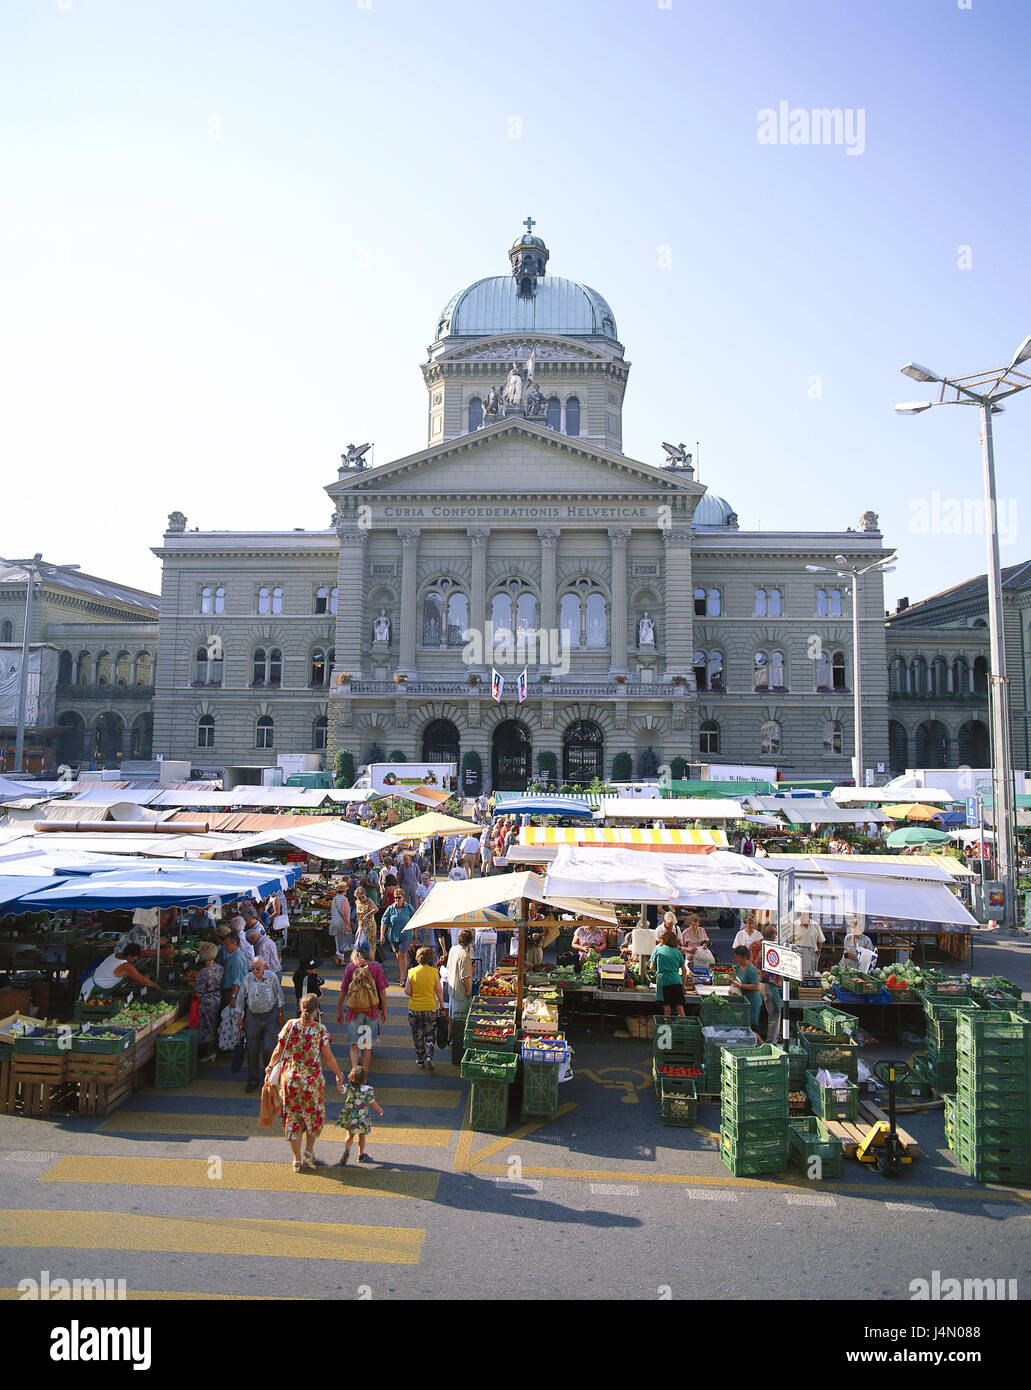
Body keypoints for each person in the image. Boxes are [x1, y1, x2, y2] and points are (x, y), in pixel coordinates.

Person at [264, 993, 345, 1172]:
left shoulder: (290, 1025)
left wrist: (270, 1067)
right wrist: (338, 1073)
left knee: (293, 1117)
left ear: (301, 1008)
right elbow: (328, 1057)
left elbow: (278, 1050)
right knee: (312, 1115)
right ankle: (309, 1149)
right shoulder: (320, 1030)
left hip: (290, 1080)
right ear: (316, 1011)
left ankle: (296, 1159)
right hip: (312, 1081)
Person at [338, 943, 389, 1075]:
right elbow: (382, 990)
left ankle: (354, 1070)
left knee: (354, 1044)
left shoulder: (350, 967)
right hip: (371, 1011)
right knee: (367, 1046)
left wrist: (339, 1011)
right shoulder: (375, 967)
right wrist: (384, 1010)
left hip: (353, 1011)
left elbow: (343, 990)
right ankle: (364, 1075)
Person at [238, 955, 286, 1093]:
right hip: (252, 1017)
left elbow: (279, 996)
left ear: (264, 967)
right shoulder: (248, 979)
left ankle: (269, 1078)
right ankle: (252, 1079)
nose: (254, 971)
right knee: (252, 1050)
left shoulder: (271, 977)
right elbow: (241, 998)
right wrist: (239, 1016)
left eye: (257, 969)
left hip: (270, 1016)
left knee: (268, 1048)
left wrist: (280, 1014)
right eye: (252, 969)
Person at [80, 942, 166, 1001]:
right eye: (136, 957)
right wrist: (156, 986)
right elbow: (143, 981)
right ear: (130, 956)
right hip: (92, 989)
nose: (136, 959)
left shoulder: (116, 954)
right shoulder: (126, 966)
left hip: (92, 983)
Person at [405, 945, 444, 1071]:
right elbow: (438, 990)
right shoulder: (434, 972)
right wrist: (442, 1005)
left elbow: (407, 991)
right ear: (431, 958)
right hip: (430, 1007)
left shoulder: (412, 972)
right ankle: (429, 1055)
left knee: (417, 1034)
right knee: (430, 1032)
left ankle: (420, 1058)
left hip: (414, 1008)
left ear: (417, 958)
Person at [336, 1065, 384, 1166]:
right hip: (362, 1118)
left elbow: (340, 1090)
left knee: (350, 1135)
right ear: (364, 1078)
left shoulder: (349, 1087)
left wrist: (339, 1083)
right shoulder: (368, 1089)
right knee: (362, 1136)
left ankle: (347, 1150)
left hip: (350, 1116)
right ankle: (361, 1155)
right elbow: (372, 1102)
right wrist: (379, 1110)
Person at [192, 942, 224, 1063]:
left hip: (206, 1002)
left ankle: (209, 1052)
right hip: (217, 998)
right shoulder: (219, 968)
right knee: (214, 1023)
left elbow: (199, 992)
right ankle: (213, 1049)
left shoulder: (202, 973)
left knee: (207, 1026)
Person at [650, 928, 689, 1017]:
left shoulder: (658, 950)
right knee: (679, 1006)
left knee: (666, 1006)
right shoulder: (678, 952)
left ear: (663, 940)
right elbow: (684, 970)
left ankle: (667, 1026)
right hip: (676, 980)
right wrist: (683, 985)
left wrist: (659, 967)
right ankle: (683, 1025)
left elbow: (651, 966)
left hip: (663, 980)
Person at [381, 888, 416, 987]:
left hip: (406, 935)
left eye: (399, 898)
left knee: (402, 954)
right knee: (398, 955)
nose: (397, 900)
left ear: (403, 898)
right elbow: (384, 922)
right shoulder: (391, 908)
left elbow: (414, 918)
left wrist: (415, 932)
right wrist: (382, 935)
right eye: (395, 898)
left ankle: (402, 978)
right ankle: (402, 973)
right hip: (394, 936)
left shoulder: (408, 907)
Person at [731, 945, 764, 1041]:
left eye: (737, 957)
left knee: (751, 1028)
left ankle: (761, 1044)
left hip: (752, 1002)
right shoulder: (738, 967)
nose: (736, 959)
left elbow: (756, 986)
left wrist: (741, 985)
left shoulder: (751, 970)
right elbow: (737, 979)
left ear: (744, 957)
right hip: (743, 1001)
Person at [758, 927, 783, 1044]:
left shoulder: (754, 945)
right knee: (775, 1014)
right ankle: (771, 1043)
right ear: (773, 937)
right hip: (768, 984)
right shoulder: (773, 948)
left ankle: (756, 1039)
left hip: (754, 984)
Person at [788, 911, 826, 977]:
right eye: (800, 915)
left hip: (812, 956)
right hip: (798, 956)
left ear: (809, 915)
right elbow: (789, 941)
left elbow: (820, 941)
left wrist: (818, 955)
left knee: (811, 976)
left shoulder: (815, 925)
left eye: (805, 914)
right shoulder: (794, 925)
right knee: (798, 976)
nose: (802, 917)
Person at [220, 933, 248, 1016]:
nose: (225, 947)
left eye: (227, 944)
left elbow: (237, 980)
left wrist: (233, 997)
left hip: (232, 992)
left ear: (234, 943)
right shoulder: (235, 955)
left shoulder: (237, 958)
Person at [353, 884, 379, 957]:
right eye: (359, 898)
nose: (361, 899)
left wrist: (367, 915)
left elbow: (376, 909)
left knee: (370, 944)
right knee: (359, 943)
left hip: (369, 926)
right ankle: (361, 960)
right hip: (361, 925)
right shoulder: (357, 902)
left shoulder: (369, 901)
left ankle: (371, 961)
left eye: (362, 897)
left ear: (365, 895)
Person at [330, 883, 353, 965]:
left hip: (334, 922)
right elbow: (345, 913)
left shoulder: (335, 898)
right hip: (342, 923)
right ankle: (339, 958)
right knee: (343, 942)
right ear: (345, 891)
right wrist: (349, 925)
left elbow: (331, 911)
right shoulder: (344, 899)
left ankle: (338, 957)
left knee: (337, 941)